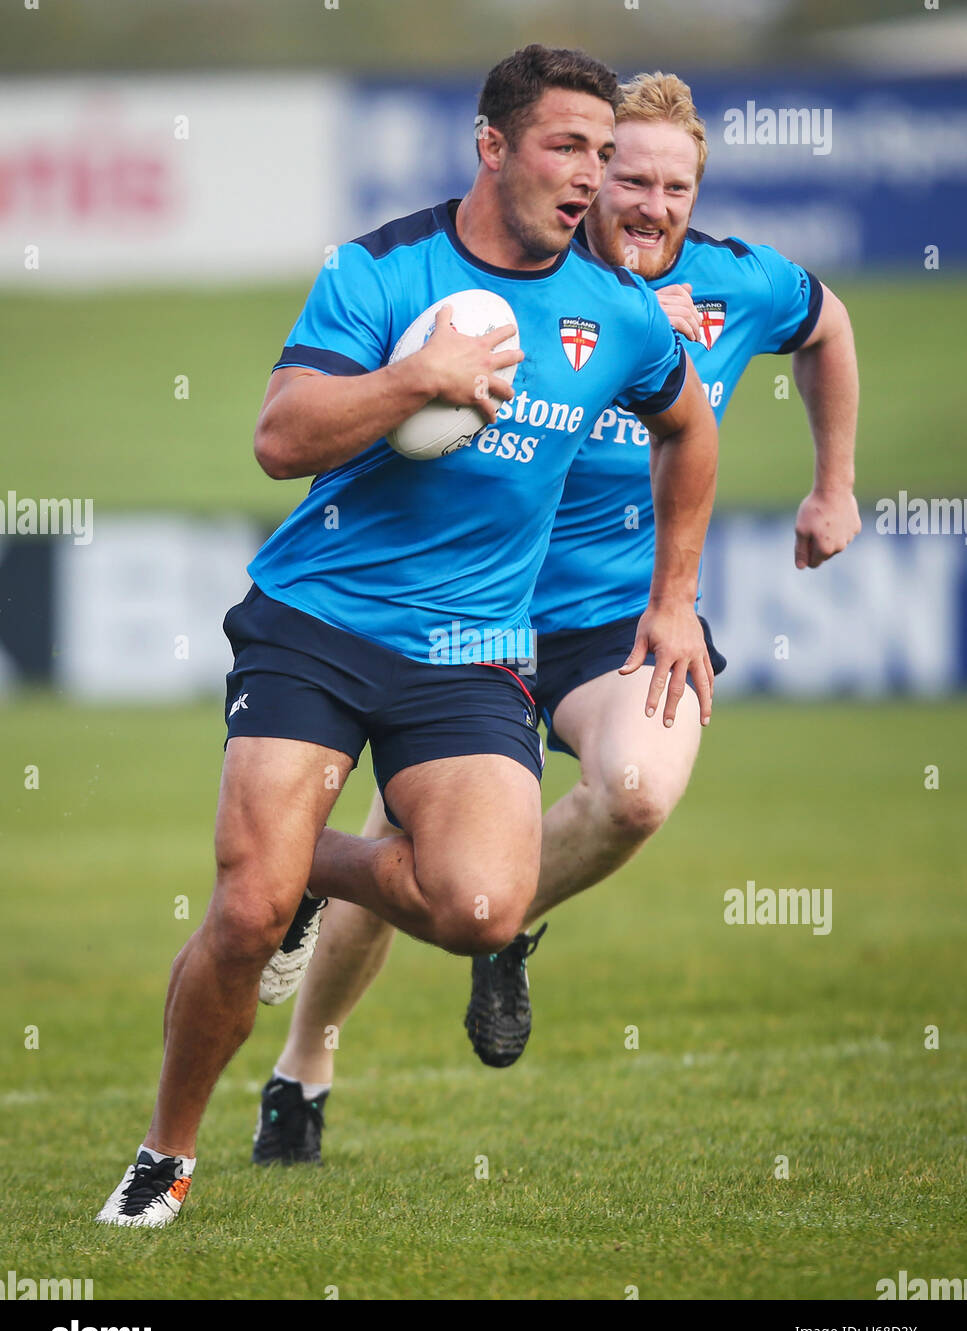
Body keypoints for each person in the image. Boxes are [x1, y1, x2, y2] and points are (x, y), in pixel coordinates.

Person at [95, 47, 719, 1225]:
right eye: (564, 147)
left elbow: (689, 428)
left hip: (476, 645)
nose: (589, 176)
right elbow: (280, 436)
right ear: (491, 146)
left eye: (600, 151)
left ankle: (299, 866)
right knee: (240, 916)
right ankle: (166, 1153)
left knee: (483, 908)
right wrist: (413, 380)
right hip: (319, 621)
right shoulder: (380, 268)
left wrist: (672, 595)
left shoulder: (620, 317)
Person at [249, 70, 859, 1167]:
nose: (647, 203)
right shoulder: (530, 280)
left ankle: (506, 930)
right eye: (624, 175)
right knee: (402, 866)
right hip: (467, 615)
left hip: (609, 621)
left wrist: (834, 484)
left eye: (673, 186)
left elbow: (828, 325)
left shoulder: (732, 285)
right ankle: (302, 1070)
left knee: (634, 792)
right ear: (579, 174)